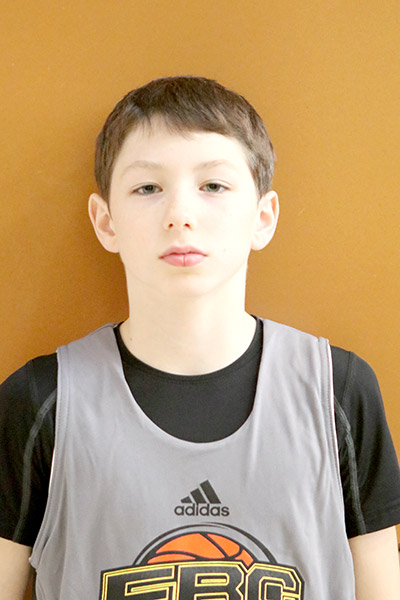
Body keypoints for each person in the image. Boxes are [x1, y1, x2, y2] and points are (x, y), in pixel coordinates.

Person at [0, 76, 399, 600]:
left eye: (213, 185)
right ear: (106, 221)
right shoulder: (39, 404)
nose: (180, 216)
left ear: (263, 217)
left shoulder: (337, 394)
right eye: (148, 188)